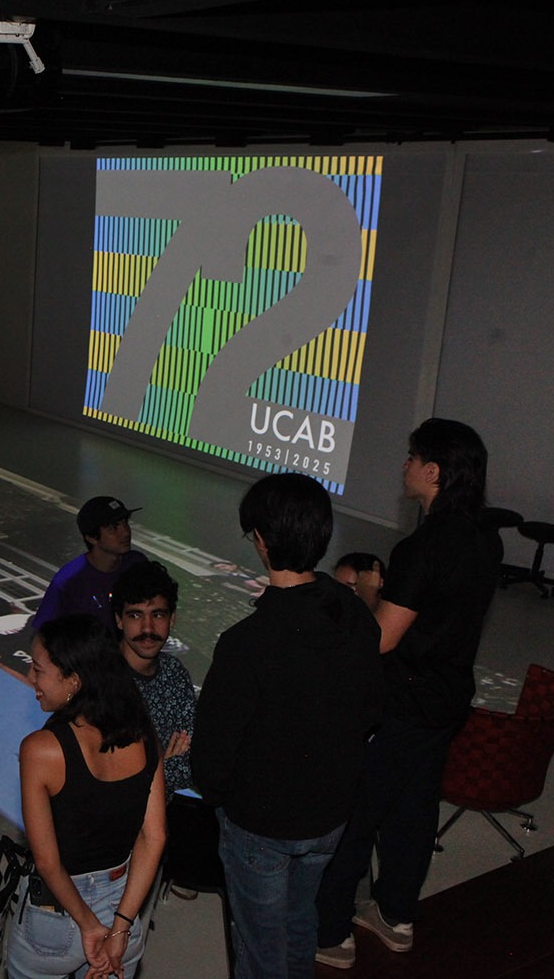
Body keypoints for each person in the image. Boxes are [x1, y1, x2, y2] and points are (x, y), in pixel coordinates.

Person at [315, 419, 503, 969]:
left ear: (434, 471)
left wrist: (370, 595)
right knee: (414, 809)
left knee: (359, 811)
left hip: (403, 702)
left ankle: (330, 931)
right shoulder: (487, 538)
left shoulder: (422, 547)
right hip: (448, 698)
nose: (405, 465)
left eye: (412, 457)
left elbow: (383, 638)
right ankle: (395, 915)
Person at [191, 472, 383, 979]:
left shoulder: (246, 644)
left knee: (260, 948)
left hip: (261, 824)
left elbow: (214, 753)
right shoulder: (355, 615)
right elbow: (371, 708)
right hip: (331, 814)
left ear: (261, 540)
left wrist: (220, 797)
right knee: (301, 922)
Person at [6, 614, 166, 979]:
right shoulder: (143, 735)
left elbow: (47, 862)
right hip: (123, 908)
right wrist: (119, 928)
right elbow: (154, 838)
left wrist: (89, 925)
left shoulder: (40, 750)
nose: (31, 678)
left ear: (74, 681)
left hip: (56, 920)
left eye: (38, 669)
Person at [111, 560, 194, 797]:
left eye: (157, 614)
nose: (147, 628)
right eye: (135, 615)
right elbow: (110, 779)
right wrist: (166, 766)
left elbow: (191, 764)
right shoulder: (99, 679)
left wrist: (156, 770)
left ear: (172, 619)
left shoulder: (174, 673)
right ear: (119, 620)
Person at [32, 496, 147, 627]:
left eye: (125, 522)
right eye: (113, 527)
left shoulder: (137, 563)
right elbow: (42, 633)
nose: (125, 532)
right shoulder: (69, 580)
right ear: (92, 537)